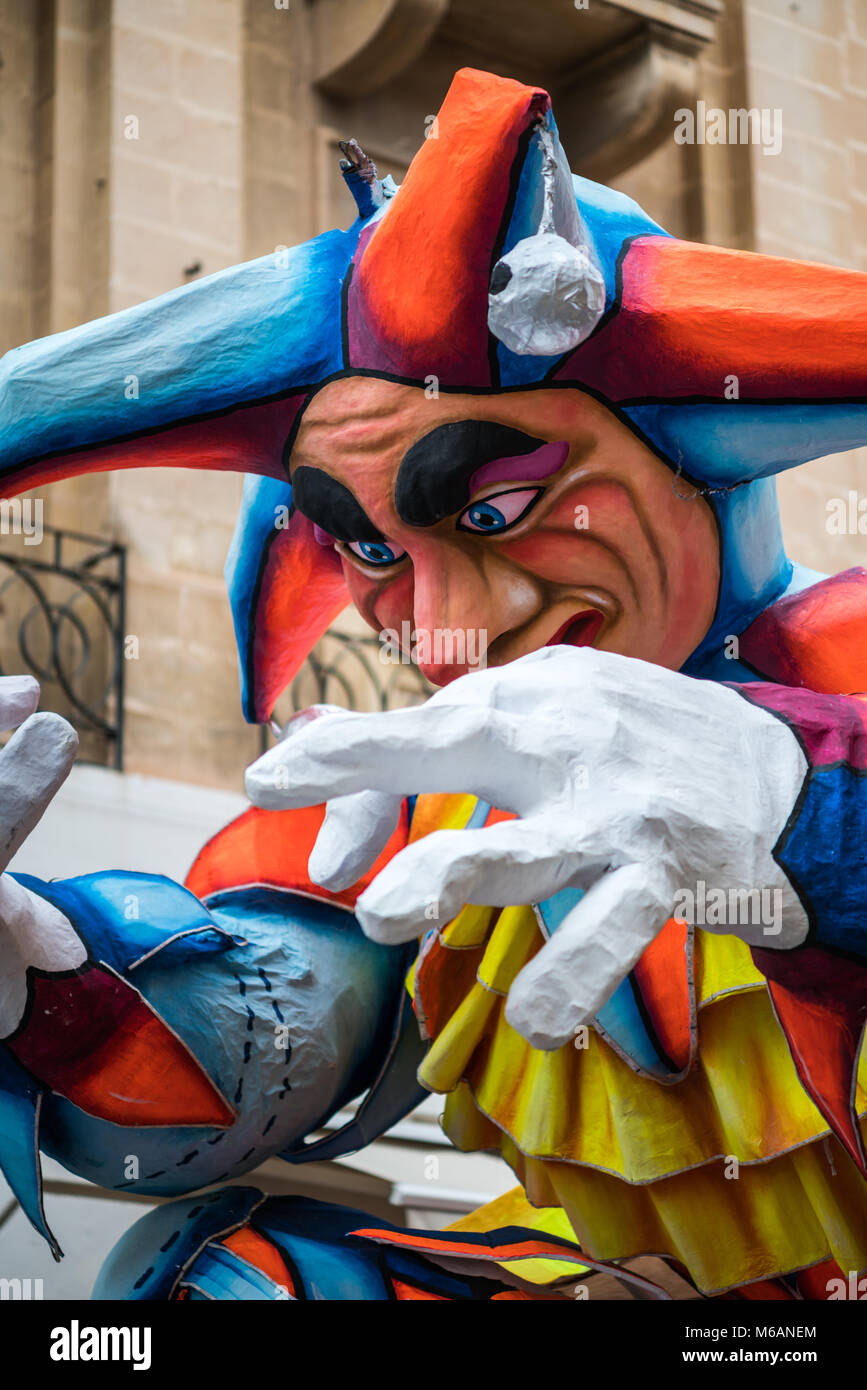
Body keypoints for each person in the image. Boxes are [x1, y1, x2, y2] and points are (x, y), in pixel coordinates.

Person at [0, 68, 865, 1300]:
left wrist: (812, 815)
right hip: (619, 1285)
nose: (446, 624)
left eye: (503, 506)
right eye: (371, 549)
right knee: (215, 1285)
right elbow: (245, 1058)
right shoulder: (431, 783)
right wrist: (41, 973)